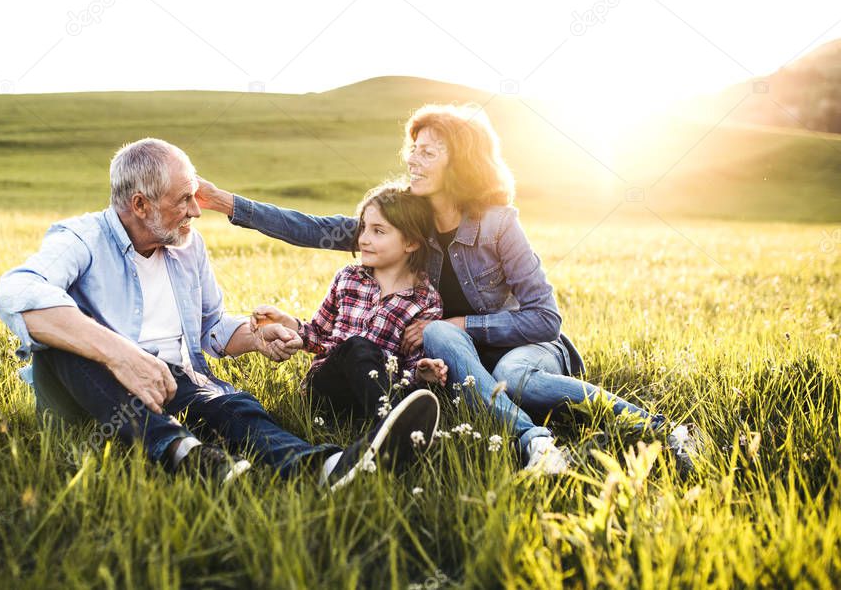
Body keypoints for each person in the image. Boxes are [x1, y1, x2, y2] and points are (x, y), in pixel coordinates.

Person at [197, 104, 698, 474]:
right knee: (440, 341)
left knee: (513, 377)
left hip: (527, 347)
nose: (413, 160)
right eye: (412, 150)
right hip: (453, 363)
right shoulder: (404, 224)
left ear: (459, 163)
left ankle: (648, 432)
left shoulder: (500, 224)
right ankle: (521, 436)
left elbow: (546, 318)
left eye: (429, 152)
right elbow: (311, 227)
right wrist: (229, 204)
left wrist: (460, 323)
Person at [0, 138, 441, 488]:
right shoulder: (82, 238)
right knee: (61, 347)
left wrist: (254, 334)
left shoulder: (187, 247)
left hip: (179, 381)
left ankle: (326, 467)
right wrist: (122, 356)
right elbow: (18, 292)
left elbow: (211, 327)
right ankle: (181, 452)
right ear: (139, 205)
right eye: (183, 200)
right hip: (95, 391)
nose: (195, 211)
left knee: (235, 407)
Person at [251, 181, 449, 424]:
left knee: (375, 364)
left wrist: (421, 371)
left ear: (411, 242)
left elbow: (409, 365)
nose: (363, 239)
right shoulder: (348, 278)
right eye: (363, 227)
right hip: (328, 389)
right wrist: (287, 322)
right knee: (358, 346)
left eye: (378, 231)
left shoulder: (426, 300)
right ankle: (398, 423)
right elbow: (318, 334)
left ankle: (389, 421)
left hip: (381, 391)